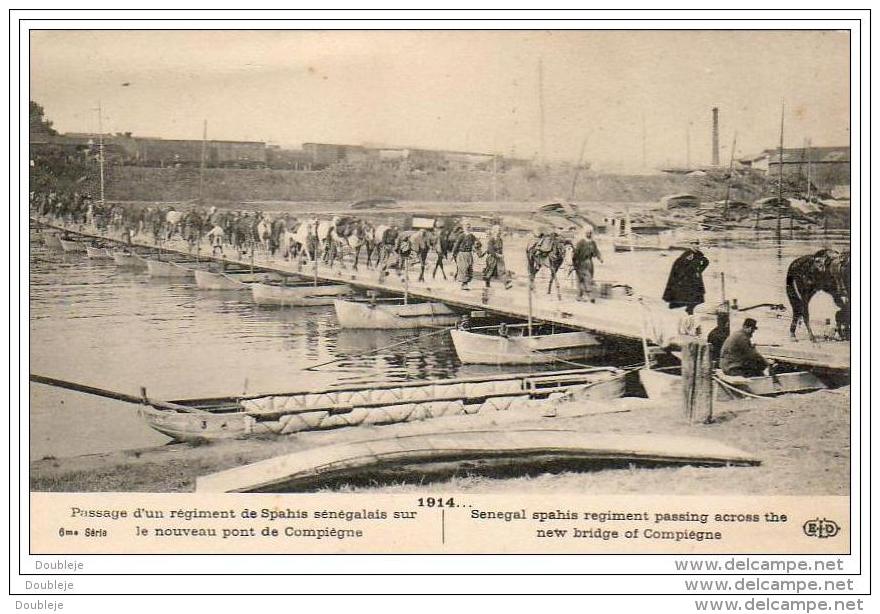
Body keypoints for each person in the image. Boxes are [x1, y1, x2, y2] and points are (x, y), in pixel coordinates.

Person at [662, 240, 710, 314]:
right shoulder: (687, 254)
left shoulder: (699, 254)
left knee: (699, 298)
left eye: (698, 244)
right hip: (688, 279)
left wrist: (699, 270)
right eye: (695, 244)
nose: (697, 246)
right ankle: (689, 310)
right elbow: (680, 265)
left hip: (696, 278)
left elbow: (706, 262)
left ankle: (690, 309)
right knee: (691, 296)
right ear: (691, 245)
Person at [571, 226, 603, 301]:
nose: (589, 234)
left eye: (590, 232)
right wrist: (574, 263)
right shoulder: (581, 242)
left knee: (589, 277)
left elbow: (596, 251)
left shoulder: (593, 242)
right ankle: (586, 295)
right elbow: (576, 253)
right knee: (582, 279)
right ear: (585, 233)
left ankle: (581, 296)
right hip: (581, 262)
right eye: (587, 232)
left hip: (589, 263)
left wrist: (600, 258)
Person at [481, 225, 512, 289]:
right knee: (490, 271)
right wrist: (496, 255)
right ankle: (487, 282)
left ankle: (506, 284)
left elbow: (501, 249)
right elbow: (490, 249)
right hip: (492, 258)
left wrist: (501, 255)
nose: (499, 232)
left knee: (502, 270)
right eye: (498, 230)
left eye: (500, 230)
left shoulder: (500, 240)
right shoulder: (491, 240)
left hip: (499, 258)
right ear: (494, 231)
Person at [451, 224, 479, 290]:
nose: (468, 228)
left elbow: (478, 243)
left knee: (469, 268)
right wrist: (453, 254)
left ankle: (466, 283)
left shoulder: (472, 236)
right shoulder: (461, 236)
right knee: (464, 269)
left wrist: (476, 247)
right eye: (467, 227)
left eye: (469, 227)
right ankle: (463, 284)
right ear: (464, 228)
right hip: (462, 254)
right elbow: (456, 245)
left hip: (469, 253)